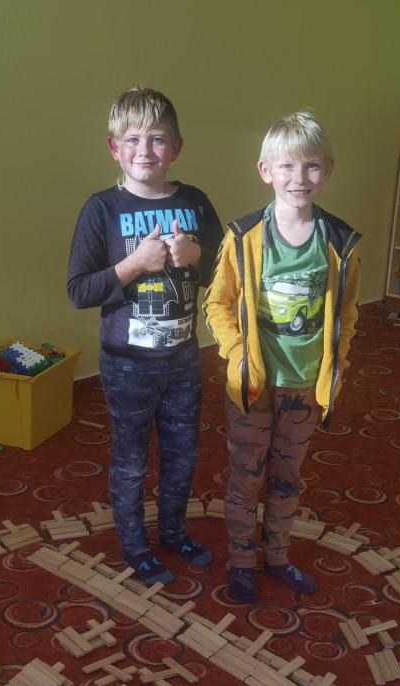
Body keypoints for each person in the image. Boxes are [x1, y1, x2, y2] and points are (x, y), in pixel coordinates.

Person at [67, 86, 224, 585]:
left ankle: (174, 532)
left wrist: (197, 258)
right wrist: (133, 264)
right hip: (126, 363)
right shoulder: (102, 209)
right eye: (132, 139)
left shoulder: (194, 202)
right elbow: (78, 290)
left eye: (157, 139)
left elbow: (227, 273)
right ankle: (136, 546)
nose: (145, 150)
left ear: (175, 147)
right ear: (115, 148)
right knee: (132, 460)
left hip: (182, 360)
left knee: (182, 456)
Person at [204, 111, 362, 603]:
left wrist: (337, 366)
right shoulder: (244, 236)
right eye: (288, 166)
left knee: (288, 478)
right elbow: (217, 303)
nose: (300, 178)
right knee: (246, 477)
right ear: (266, 171)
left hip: (306, 385)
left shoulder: (339, 243)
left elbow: (348, 312)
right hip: (252, 386)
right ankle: (241, 563)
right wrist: (236, 354)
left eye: (312, 166)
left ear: (328, 170)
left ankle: (277, 556)